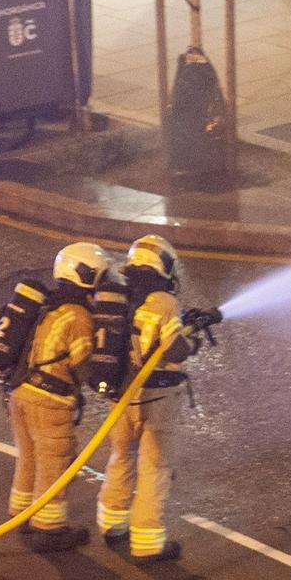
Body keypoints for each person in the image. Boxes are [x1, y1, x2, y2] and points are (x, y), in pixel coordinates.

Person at [96, 234, 200, 563]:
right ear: (164, 267)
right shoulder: (163, 302)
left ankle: (112, 523)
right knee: (154, 467)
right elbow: (175, 350)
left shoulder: (117, 295)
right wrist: (190, 335)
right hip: (157, 397)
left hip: (122, 396)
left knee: (121, 455)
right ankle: (147, 540)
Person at [3, 242, 110, 551]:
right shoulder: (78, 316)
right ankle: (49, 527)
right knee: (54, 462)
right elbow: (82, 366)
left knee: (29, 457)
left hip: (20, 392)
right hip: (49, 400)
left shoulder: (47, 305)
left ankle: (21, 513)